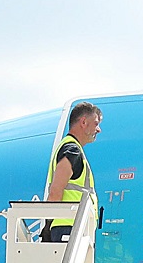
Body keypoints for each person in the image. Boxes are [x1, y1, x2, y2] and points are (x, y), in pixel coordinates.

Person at [42, 102, 100, 243]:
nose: (98, 130)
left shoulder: (71, 149)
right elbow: (56, 191)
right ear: (84, 122)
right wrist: (48, 226)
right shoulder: (71, 150)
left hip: (72, 226)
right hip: (68, 227)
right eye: (96, 123)